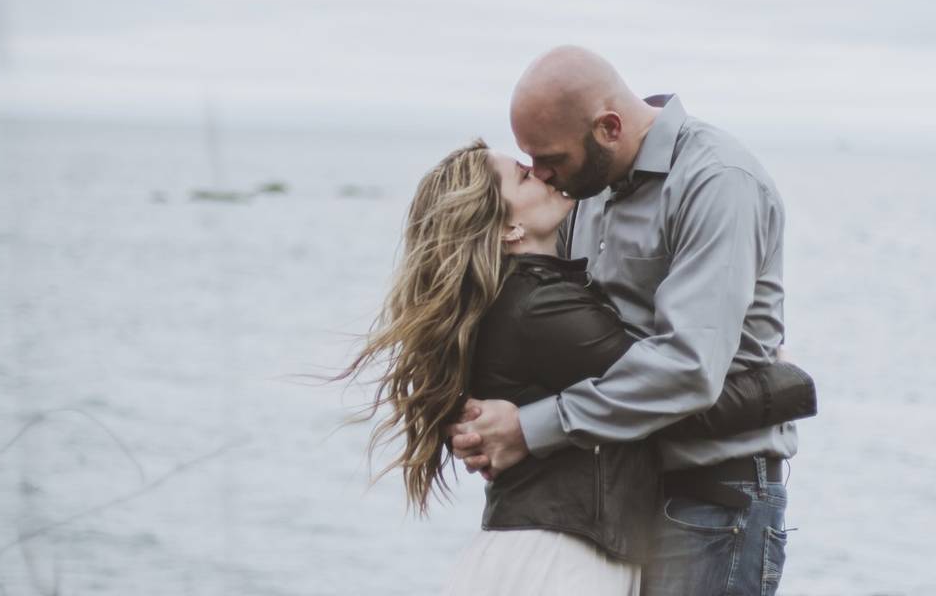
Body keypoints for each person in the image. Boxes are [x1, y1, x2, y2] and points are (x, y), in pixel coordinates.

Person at [335, 138, 815, 595]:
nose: (542, 174)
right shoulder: (542, 309)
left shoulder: (515, 299)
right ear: (509, 229)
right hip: (558, 562)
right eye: (525, 177)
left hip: (541, 550)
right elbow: (677, 398)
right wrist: (789, 385)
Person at [447, 46, 800, 596]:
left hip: (712, 495)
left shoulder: (717, 181)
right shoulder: (584, 188)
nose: (541, 174)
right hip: (626, 496)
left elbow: (688, 368)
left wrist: (530, 427)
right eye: (529, 161)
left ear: (608, 127)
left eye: (551, 159)